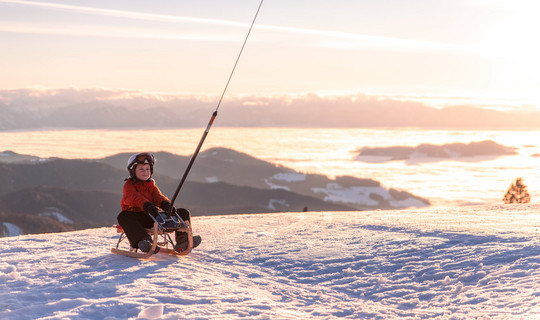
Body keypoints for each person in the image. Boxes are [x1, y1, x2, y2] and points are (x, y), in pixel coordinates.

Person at [117, 152, 200, 253]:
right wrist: (146, 205)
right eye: (141, 169)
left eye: (147, 169)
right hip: (138, 219)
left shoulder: (151, 185)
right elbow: (133, 197)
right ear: (133, 171)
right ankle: (144, 241)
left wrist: (166, 204)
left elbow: (157, 197)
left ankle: (183, 241)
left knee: (182, 212)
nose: (145, 172)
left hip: (153, 216)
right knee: (123, 216)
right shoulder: (129, 185)